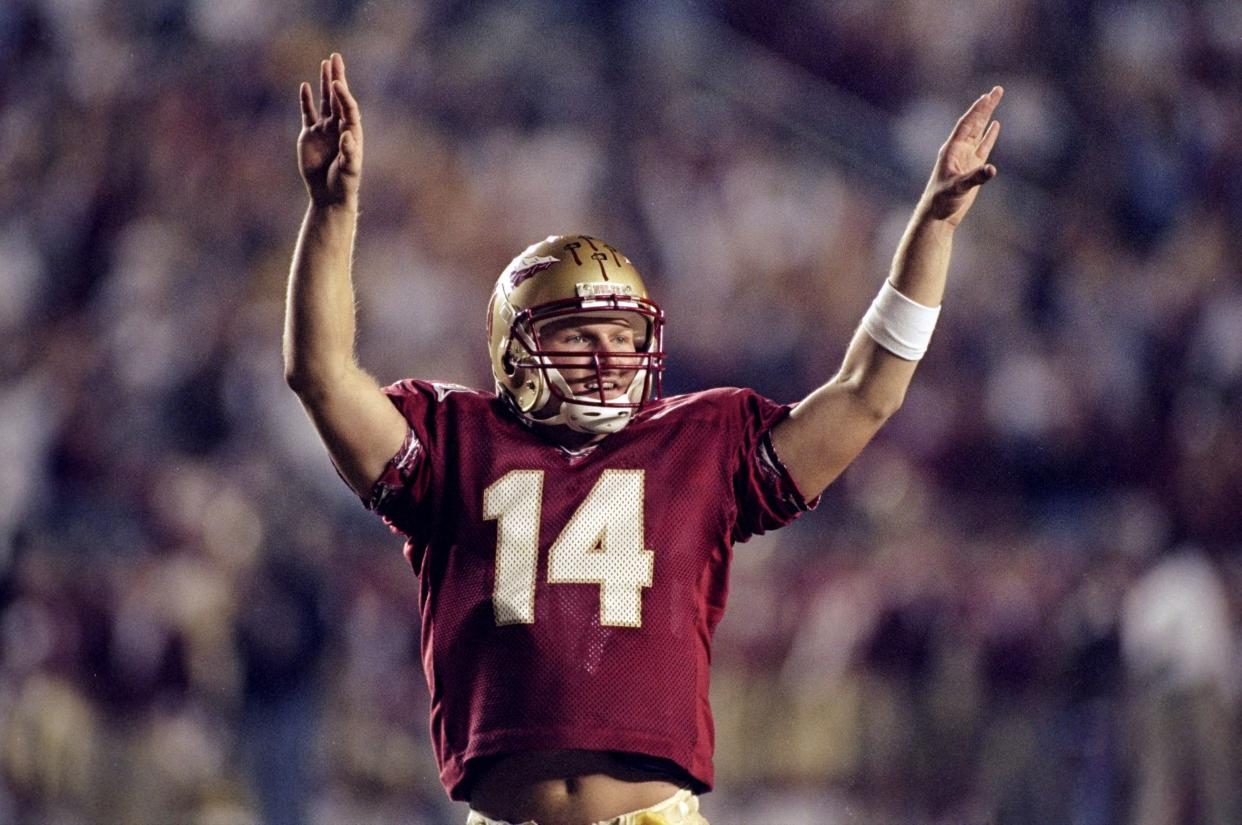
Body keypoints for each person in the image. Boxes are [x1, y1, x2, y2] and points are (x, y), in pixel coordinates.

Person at [284, 52, 1002, 825]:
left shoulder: (700, 439)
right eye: (579, 333)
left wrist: (930, 227)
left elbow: (868, 393)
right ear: (515, 350)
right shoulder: (454, 439)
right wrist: (333, 209)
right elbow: (320, 374)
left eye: (624, 335)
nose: (609, 355)